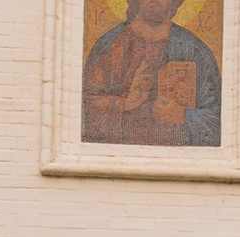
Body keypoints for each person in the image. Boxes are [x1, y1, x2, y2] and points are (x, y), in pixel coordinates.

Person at [82, 0, 222, 149]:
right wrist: (124, 104)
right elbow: (83, 111)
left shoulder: (195, 50)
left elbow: (220, 120)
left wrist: (184, 116)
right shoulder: (110, 45)